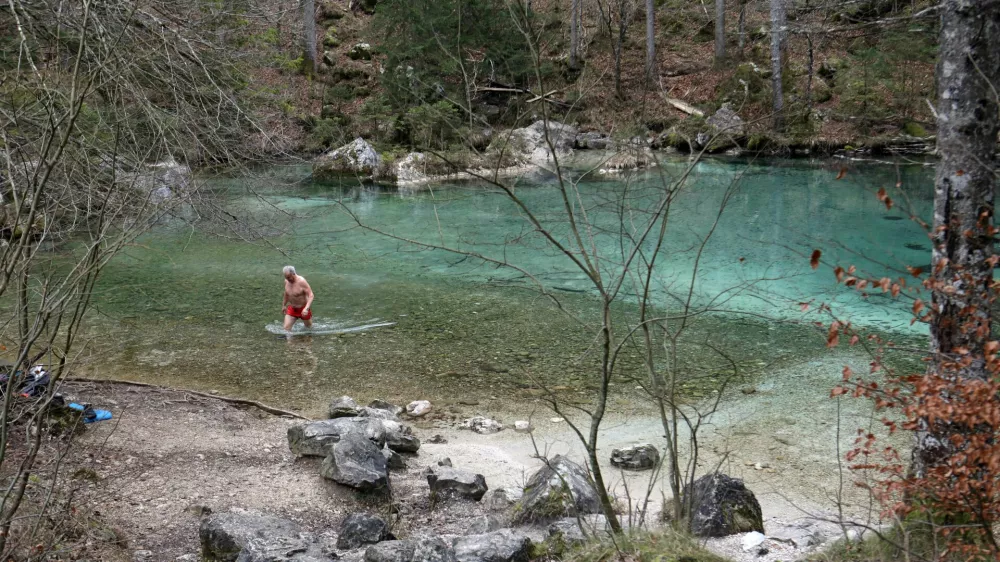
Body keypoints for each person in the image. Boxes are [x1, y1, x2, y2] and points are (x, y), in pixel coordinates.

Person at [282, 265, 314, 331]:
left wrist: (306, 308)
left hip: (303, 309)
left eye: (289, 277)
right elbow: (286, 294)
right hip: (292, 309)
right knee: (286, 329)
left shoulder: (301, 282)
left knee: (309, 329)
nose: (287, 279)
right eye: (286, 277)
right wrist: (284, 305)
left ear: (293, 273)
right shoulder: (286, 281)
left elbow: (311, 295)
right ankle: (289, 338)